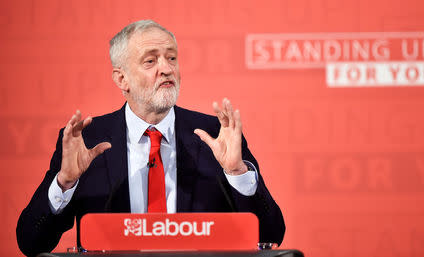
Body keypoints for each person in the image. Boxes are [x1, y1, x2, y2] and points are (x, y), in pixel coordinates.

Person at [16, 20, 285, 257]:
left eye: (172, 58)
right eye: (150, 61)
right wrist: (65, 183)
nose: (166, 69)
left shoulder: (215, 134)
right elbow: (31, 242)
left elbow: (271, 235)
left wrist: (237, 173)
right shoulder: (88, 140)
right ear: (122, 79)